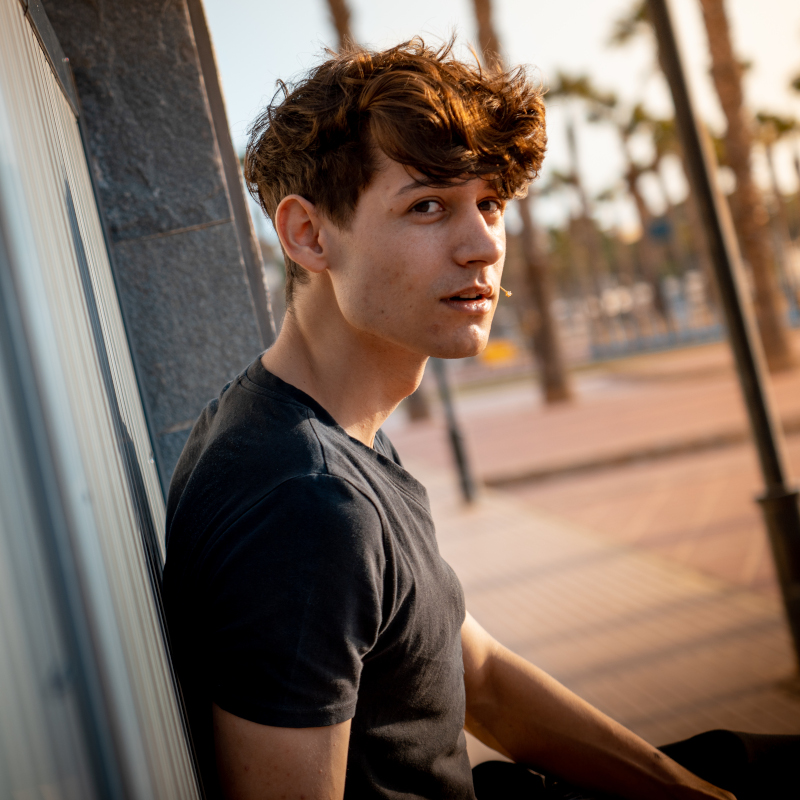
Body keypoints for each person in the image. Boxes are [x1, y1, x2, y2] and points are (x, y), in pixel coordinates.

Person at [163, 39, 796, 800]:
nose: (484, 245)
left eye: (489, 203)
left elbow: (483, 681)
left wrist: (688, 792)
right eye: (427, 206)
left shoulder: (315, 428)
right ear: (307, 234)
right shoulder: (306, 506)